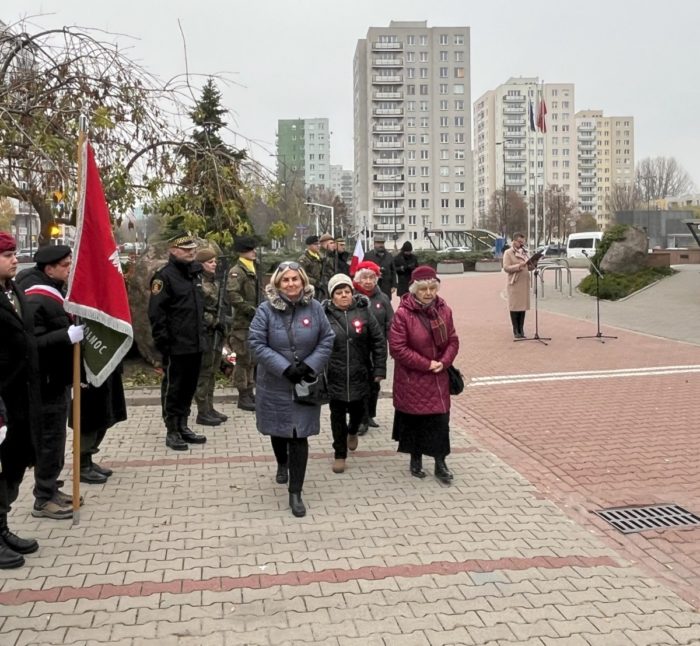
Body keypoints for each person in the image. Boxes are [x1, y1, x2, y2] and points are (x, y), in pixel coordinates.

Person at [248, 261, 334, 517]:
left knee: (299, 436)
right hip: (275, 383)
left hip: (305, 383)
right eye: (285, 280)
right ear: (277, 283)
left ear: (303, 280)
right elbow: (256, 342)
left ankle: (295, 491)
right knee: (279, 430)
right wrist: (284, 368)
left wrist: (310, 366)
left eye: (295, 279)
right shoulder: (265, 310)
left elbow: (327, 338)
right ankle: (281, 464)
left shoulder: (315, 307)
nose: (291, 284)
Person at [16, 245, 84, 519]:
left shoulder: (52, 291)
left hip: (56, 379)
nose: (70, 269)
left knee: (56, 438)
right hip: (44, 382)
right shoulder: (36, 299)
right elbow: (31, 344)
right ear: (49, 268)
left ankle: (51, 488)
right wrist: (65, 337)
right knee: (48, 439)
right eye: (66, 265)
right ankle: (43, 499)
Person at [389, 265, 459, 484]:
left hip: (439, 376)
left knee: (440, 422)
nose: (428, 293)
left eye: (432, 288)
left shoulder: (444, 310)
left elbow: (453, 340)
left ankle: (440, 463)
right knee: (415, 421)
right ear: (414, 290)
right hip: (413, 377)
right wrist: (427, 364)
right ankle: (415, 459)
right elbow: (398, 348)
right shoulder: (403, 313)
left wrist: (444, 362)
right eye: (423, 289)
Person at [0, 232, 40, 568]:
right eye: (8, 254)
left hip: (21, 395)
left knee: (13, 465)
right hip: (1, 401)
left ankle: (2, 526)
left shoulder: (13, 290)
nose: (15, 259)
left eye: (14, 253)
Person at [149, 231, 207, 450]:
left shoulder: (194, 274)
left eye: (192, 249)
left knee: (188, 387)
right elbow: (157, 314)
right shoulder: (164, 277)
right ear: (173, 251)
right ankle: (172, 430)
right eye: (185, 249)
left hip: (195, 343)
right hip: (176, 345)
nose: (191, 252)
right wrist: (163, 344)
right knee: (174, 388)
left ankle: (183, 425)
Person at [324, 273, 386, 473]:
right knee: (337, 416)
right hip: (335, 374)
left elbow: (378, 341)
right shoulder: (324, 316)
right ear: (332, 296)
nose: (344, 296)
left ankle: (353, 431)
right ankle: (339, 453)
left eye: (347, 291)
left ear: (352, 292)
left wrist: (379, 368)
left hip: (361, 373)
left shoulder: (364, 312)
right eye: (339, 293)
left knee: (360, 411)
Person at [352, 260, 393, 433]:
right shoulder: (352, 298)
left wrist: (394, 345)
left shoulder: (382, 298)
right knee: (361, 384)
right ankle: (361, 418)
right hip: (358, 349)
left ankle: (370, 415)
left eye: (371, 277)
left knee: (375, 383)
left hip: (378, 349)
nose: (368, 281)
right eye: (364, 278)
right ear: (358, 280)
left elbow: (392, 323)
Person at [227, 236, 260, 412]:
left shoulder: (252, 268)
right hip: (242, 322)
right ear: (242, 252)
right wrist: (248, 309)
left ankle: (250, 390)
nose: (254, 252)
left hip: (253, 322)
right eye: (250, 249)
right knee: (243, 358)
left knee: (252, 359)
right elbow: (233, 294)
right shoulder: (237, 271)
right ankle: (243, 394)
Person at [193, 247, 226, 426]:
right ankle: (202, 411)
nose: (214, 264)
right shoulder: (198, 283)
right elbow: (199, 310)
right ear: (201, 264)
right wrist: (214, 321)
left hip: (217, 333)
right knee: (204, 373)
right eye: (210, 262)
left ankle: (210, 407)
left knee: (213, 371)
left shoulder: (214, 282)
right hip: (206, 333)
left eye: (215, 261)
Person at [77, 367, 127, 483]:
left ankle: (88, 459)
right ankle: (82, 464)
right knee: (90, 417)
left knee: (105, 413)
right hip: (88, 370)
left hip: (106, 365)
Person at [502, 232, 533, 339]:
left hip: (524, 283)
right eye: (519, 242)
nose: (521, 244)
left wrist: (533, 264)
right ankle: (516, 330)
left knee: (522, 306)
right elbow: (506, 268)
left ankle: (521, 329)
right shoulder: (508, 253)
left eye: (523, 242)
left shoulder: (525, 252)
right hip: (515, 283)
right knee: (515, 306)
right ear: (514, 241)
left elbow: (529, 267)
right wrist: (518, 266)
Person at [298, 235, 324, 300]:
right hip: (310, 288)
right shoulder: (303, 259)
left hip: (321, 287)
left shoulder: (321, 257)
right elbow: (301, 275)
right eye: (315, 244)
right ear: (309, 246)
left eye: (319, 244)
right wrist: (316, 282)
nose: (318, 246)